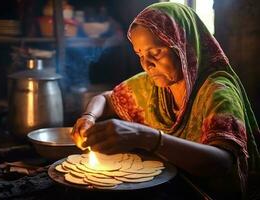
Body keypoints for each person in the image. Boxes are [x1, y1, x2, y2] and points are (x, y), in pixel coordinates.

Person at [71, 2, 260, 199]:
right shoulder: (153, 85)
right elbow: (105, 98)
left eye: (155, 52)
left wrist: (147, 137)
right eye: (140, 54)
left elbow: (222, 161)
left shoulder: (217, 91)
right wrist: (89, 117)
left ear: (183, 45)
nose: (147, 64)